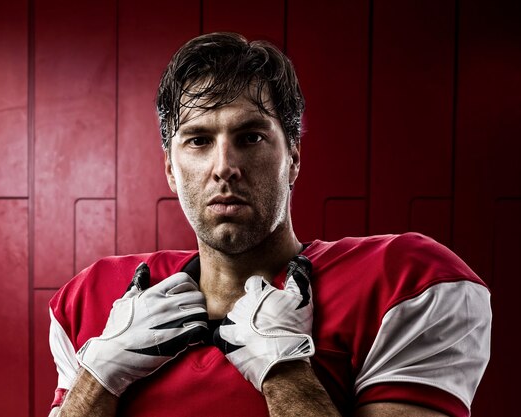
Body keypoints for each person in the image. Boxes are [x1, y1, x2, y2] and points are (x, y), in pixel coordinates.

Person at [47, 32, 491, 417]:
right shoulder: (97, 298)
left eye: (251, 137)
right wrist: (98, 374)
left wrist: (285, 370)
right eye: (199, 141)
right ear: (169, 166)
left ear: (293, 155)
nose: (224, 167)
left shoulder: (403, 282)